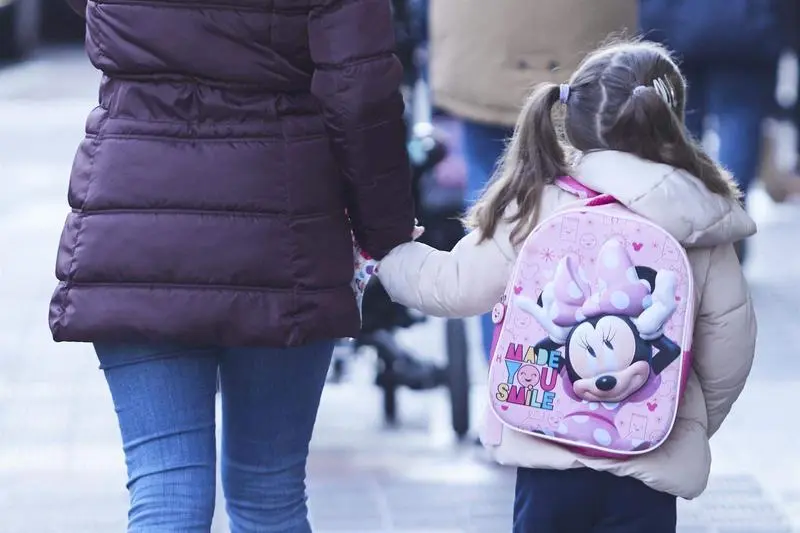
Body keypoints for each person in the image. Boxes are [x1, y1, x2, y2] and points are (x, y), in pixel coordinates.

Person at [49, 0, 415, 531]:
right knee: (270, 493)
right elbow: (360, 94)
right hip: (284, 227)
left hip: (136, 218)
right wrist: (386, 232)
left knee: (165, 487)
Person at [377, 40, 757, 532]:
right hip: (647, 462)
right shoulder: (699, 220)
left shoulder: (537, 204)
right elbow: (730, 351)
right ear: (670, 121)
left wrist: (386, 254)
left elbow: (450, 285)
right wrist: (679, 420)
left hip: (547, 454)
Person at [427, 0, 637, 360]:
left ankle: (501, 361)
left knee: (490, 208)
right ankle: (593, 355)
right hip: (586, 39)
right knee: (593, 208)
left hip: (479, 41)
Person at [639, 0, 794, 260]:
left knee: (682, 119)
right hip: (746, 22)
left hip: (674, 20)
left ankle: (682, 221)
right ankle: (728, 223)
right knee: (739, 117)